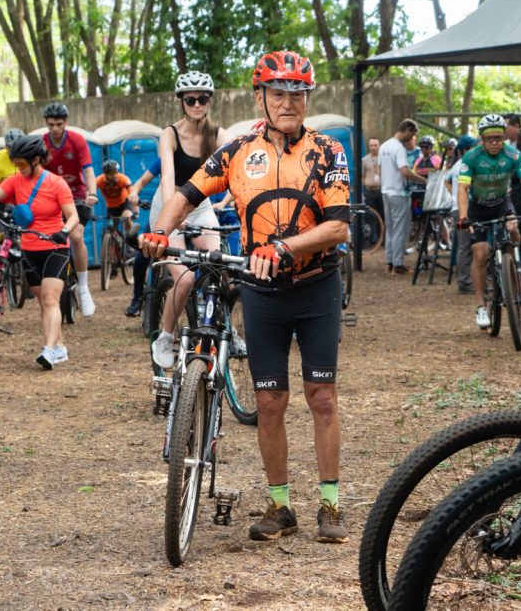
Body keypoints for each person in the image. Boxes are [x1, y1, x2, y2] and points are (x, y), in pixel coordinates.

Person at [141, 50, 351, 544]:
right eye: (278, 93)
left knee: (322, 397)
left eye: (297, 94)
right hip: (261, 294)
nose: (288, 103)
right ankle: (280, 507)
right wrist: (159, 231)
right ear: (261, 96)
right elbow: (188, 194)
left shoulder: (328, 150)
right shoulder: (237, 151)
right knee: (269, 399)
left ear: (307, 98)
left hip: (316, 288)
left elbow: (338, 227)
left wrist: (283, 247)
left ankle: (330, 504)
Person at [0, 134, 78, 369]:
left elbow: (73, 216)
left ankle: (48, 351)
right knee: (44, 301)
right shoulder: (16, 181)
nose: (18, 168)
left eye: (22, 163)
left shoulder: (56, 183)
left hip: (55, 247)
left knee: (50, 298)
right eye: (15, 163)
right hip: (30, 248)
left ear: (36, 159)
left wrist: (64, 231)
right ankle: (59, 346)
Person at [148, 71, 228, 369]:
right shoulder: (170, 133)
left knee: (219, 263)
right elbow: (168, 177)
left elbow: (241, 165)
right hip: (168, 206)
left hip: (201, 204)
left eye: (202, 99)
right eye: (190, 100)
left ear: (209, 101)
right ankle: (166, 335)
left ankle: (223, 327)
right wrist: (173, 213)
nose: (197, 104)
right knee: (185, 278)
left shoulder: (218, 135)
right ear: (182, 102)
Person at [457, 114, 521, 328]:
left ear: (504, 137)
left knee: (514, 230)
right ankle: (480, 305)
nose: (494, 143)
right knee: (480, 253)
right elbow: (462, 188)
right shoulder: (471, 157)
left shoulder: (514, 155)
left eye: (498, 138)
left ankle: (514, 268)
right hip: (477, 207)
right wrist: (463, 216)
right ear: (482, 139)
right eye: (490, 139)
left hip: (502, 203)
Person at [41, 102, 97, 317]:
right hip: (54, 199)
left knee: (75, 235)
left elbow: (88, 170)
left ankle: (83, 287)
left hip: (78, 197)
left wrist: (92, 193)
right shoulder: (42, 144)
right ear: (46, 123)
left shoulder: (76, 141)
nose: (55, 129)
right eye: (51, 124)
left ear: (66, 122)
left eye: (59, 124)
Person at [379, 119, 427, 274]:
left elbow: (380, 169)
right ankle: (398, 264)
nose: (412, 137)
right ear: (407, 130)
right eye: (413, 133)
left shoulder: (384, 146)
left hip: (386, 191)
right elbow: (405, 171)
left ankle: (390, 262)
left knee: (391, 228)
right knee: (401, 228)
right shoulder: (399, 148)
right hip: (399, 193)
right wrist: (423, 180)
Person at [123, 160, 161, 317]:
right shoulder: (164, 159)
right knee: (141, 259)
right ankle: (137, 297)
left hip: (188, 215)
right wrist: (134, 192)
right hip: (161, 212)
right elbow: (143, 180)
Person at [446, 135, 478, 292]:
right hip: (466, 207)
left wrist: (453, 195)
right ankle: (465, 282)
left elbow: (446, 180)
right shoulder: (468, 163)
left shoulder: (456, 164)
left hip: (456, 207)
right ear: (466, 149)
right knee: (467, 245)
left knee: (464, 245)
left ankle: (467, 279)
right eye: (473, 146)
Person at [362, 136, 384, 222]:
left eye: (375, 145)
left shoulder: (384, 158)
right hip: (369, 192)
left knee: (382, 216)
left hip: (381, 191)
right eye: (371, 145)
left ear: (379, 145)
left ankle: (382, 234)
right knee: (370, 216)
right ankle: (372, 235)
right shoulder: (364, 160)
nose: (373, 147)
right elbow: (362, 177)